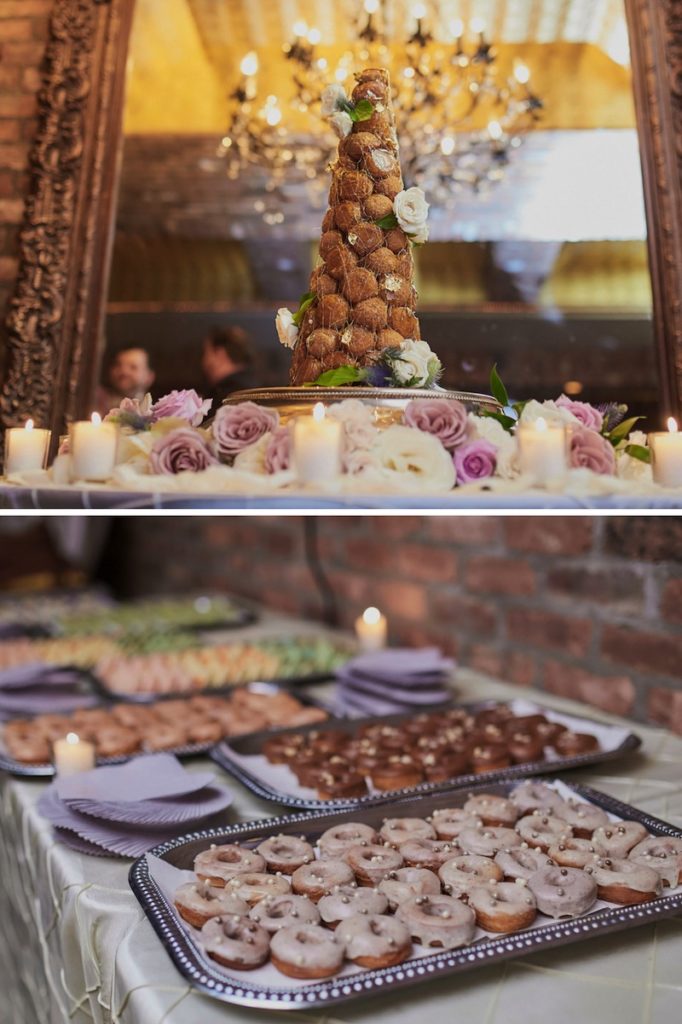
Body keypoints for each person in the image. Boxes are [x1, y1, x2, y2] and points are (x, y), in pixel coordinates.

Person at [201, 326, 258, 408]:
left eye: (207, 353)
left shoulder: (223, 397)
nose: (204, 362)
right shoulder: (257, 389)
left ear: (220, 354)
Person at [96, 347, 156, 416]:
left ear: (149, 377)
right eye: (118, 365)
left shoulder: (156, 416)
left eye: (133, 367)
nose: (124, 371)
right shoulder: (96, 401)